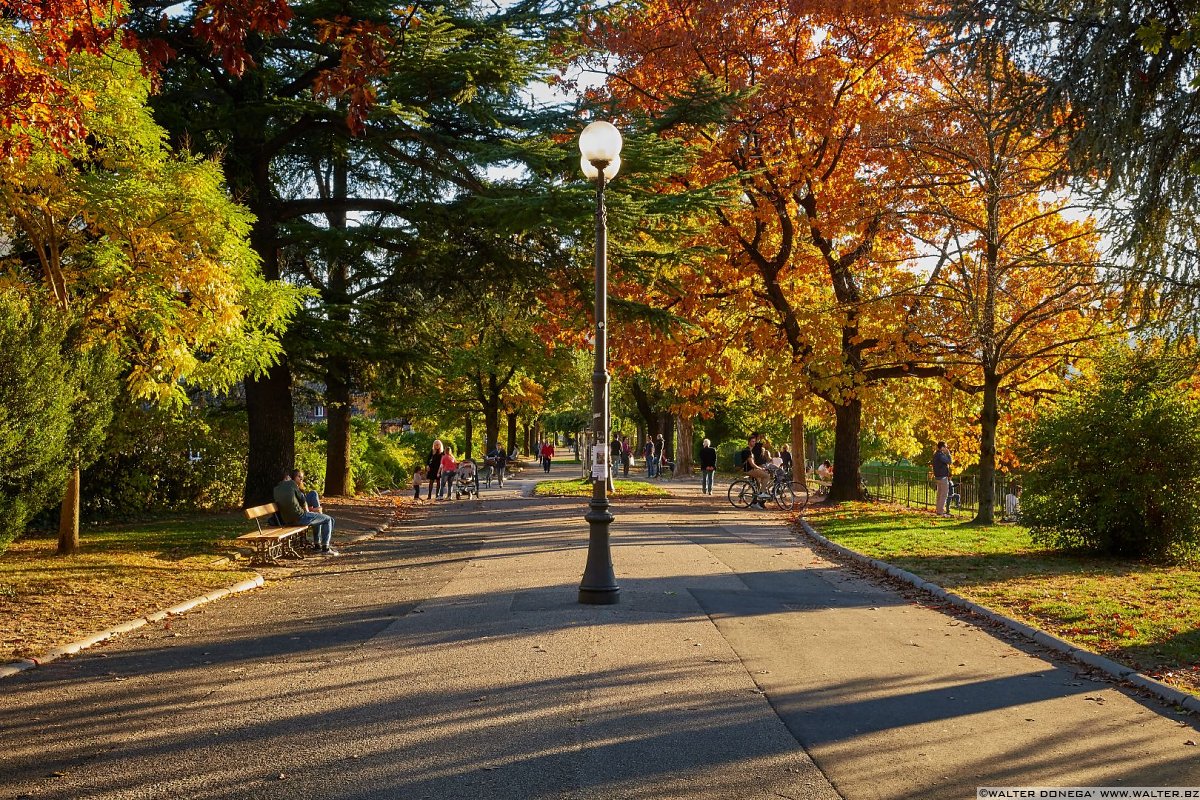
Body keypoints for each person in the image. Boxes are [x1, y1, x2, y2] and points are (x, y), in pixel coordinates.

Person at [274, 470, 337, 555]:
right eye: (298, 477)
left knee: (318, 511)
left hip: (288, 520)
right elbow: (302, 501)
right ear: (287, 478)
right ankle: (325, 548)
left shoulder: (276, 489)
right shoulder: (291, 484)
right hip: (300, 517)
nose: (301, 479)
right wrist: (311, 511)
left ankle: (318, 545)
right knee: (329, 519)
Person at [738, 435, 771, 508]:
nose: (754, 443)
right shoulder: (747, 451)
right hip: (749, 470)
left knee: (758, 484)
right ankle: (762, 493)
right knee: (767, 476)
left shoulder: (751, 451)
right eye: (752, 441)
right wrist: (760, 468)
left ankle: (756, 501)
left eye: (755, 442)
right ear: (749, 442)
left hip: (752, 469)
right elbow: (752, 464)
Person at [933, 441, 953, 517]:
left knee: (939, 494)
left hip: (938, 476)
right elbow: (949, 462)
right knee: (943, 494)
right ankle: (940, 512)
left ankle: (938, 510)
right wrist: (948, 454)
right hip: (942, 477)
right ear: (942, 447)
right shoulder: (940, 455)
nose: (946, 448)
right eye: (946, 447)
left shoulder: (936, 454)